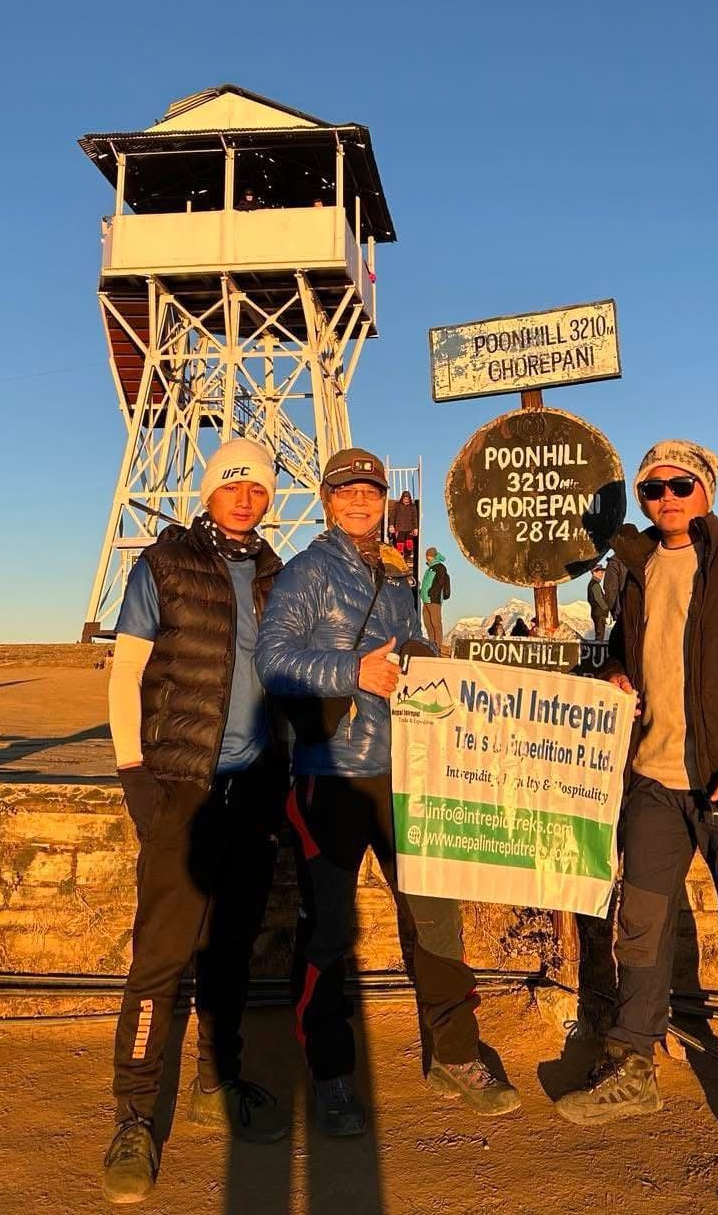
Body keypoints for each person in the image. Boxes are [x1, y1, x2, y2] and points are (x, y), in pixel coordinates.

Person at [557, 439, 718, 1179]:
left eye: (679, 485)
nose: (666, 499)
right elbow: (625, 655)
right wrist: (611, 674)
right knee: (637, 927)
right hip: (651, 782)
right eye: (653, 489)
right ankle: (631, 1068)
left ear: (705, 490)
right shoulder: (635, 571)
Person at [255, 448, 519, 1136]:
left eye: (370, 489)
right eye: (346, 491)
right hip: (333, 775)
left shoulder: (397, 573)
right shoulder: (308, 572)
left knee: (436, 918)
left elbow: (407, 655)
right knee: (330, 930)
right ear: (325, 498)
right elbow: (272, 661)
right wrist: (352, 671)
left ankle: (455, 1055)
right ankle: (332, 1075)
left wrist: (436, 667)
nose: (360, 500)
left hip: (410, 769)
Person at [101, 438, 288, 1206]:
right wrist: (135, 778)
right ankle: (135, 1115)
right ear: (210, 490)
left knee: (234, 949)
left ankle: (219, 1077)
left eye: (257, 487)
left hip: (255, 789)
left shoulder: (279, 574)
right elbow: (127, 673)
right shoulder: (165, 564)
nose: (245, 496)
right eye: (232, 484)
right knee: (162, 958)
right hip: (181, 787)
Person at [419, 547, 451, 648]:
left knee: (436, 624)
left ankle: (438, 647)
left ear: (432, 556)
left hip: (434, 600)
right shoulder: (430, 568)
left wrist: (431, 592)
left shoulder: (440, 567)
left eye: (428, 556)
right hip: (426, 600)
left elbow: (440, 582)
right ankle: (432, 645)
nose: (426, 558)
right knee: (428, 624)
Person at [387, 489, 420, 574]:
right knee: (400, 546)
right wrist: (391, 525)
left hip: (409, 529)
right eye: (405, 499)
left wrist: (416, 528)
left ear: (409, 499)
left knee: (409, 545)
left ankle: (407, 557)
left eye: (407, 499)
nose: (406, 500)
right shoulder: (397, 505)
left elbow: (415, 518)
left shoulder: (412, 506)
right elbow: (393, 516)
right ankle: (400, 559)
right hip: (399, 528)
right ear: (402, 498)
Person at [587, 565, 610, 642]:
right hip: (599, 613)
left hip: (596, 612)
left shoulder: (592, 584)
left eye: (602, 573)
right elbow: (598, 599)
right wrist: (606, 608)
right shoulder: (595, 585)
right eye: (600, 572)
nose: (602, 575)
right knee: (600, 634)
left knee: (599, 633)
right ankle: (598, 650)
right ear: (594, 573)